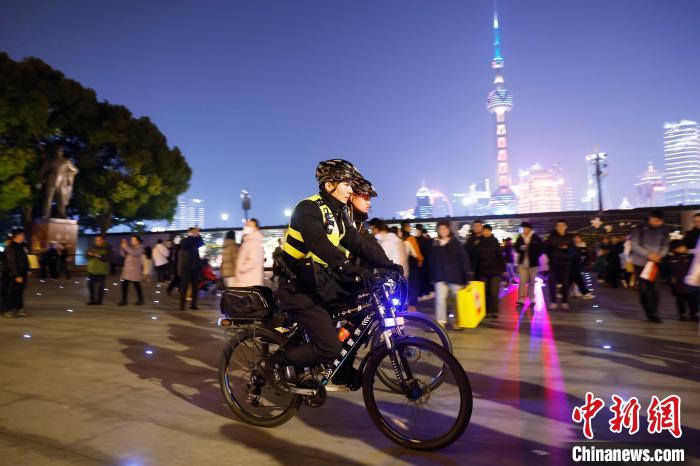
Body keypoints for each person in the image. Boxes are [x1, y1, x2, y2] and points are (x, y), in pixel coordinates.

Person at [273, 159, 401, 386]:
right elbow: (320, 245)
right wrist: (353, 270)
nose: (351, 190)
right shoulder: (307, 209)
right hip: (297, 286)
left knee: (363, 309)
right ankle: (275, 362)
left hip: (321, 282)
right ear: (329, 184)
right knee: (329, 347)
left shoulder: (339, 214)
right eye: (347, 184)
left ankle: (341, 367)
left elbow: (358, 243)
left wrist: (389, 265)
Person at [630, 210, 669, 323]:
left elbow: (666, 246)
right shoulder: (639, 228)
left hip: (654, 264)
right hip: (640, 264)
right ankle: (648, 312)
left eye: (661, 221)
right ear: (650, 218)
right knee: (643, 290)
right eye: (657, 220)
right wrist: (649, 255)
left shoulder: (664, 230)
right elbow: (635, 245)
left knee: (655, 290)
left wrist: (659, 255)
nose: (659, 223)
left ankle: (654, 313)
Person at [429, 220, 470, 327]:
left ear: (449, 230)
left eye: (444, 228)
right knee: (440, 300)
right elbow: (432, 260)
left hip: (455, 276)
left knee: (456, 300)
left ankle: (457, 321)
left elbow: (464, 260)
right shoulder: (435, 243)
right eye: (440, 228)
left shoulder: (455, 243)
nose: (442, 230)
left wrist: (467, 276)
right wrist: (432, 275)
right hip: (440, 276)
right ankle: (440, 322)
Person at [474, 224, 505, 318]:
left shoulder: (495, 242)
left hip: (495, 271)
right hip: (483, 271)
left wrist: (503, 269)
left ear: (490, 231)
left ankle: (494, 311)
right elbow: (476, 258)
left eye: (488, 230)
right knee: (485, 292)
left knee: (494, 292)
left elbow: (500, 257)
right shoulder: (479, 242)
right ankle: (486, 311)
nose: (486, 232)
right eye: (484, 231)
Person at [545, 219, 575, 310]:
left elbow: (573, 249)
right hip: (553, 263)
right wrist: (551, 256)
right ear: (556, 227)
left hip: (566, 263)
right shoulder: (552, 236)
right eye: (558, 225)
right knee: (551, 283)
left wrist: (567, 251)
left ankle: (564, 301)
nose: (560, 227)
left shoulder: (569, 237)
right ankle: (553, 301)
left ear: (566, 227)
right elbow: (546, 248)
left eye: (562, 225)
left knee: (565, 283)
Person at [666, 240, 699, 322]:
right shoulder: (670, 258)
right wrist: (671, 280)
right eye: (682, 247)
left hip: (688, 281)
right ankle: (682, 314)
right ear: (676, 249)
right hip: (677, 282)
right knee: (680, 299)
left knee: (692, 298)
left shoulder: (688, 256)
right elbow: (667, 271)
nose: (684, 248)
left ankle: (693, 314)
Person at [514, 221, 544, 307]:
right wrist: (521, 248)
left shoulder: (536, 238)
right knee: (522, 281)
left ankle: (531, 298)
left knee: (532, 281)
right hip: (522, 264)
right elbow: (516, 248)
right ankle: (521, 299)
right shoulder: (520, 237)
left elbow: (541, 249)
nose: (524, 230)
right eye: (523, 228)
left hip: (533, 264)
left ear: (530, 229)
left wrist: (535, 256)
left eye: (526, 228)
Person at [4, 228, 29, 318]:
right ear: (17, 236)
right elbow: (12, 262)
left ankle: (19, 308)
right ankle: (8, 310)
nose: (23, 236)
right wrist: (17, 275)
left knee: (20, 291)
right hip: (15, 274)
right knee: (12, 292)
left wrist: (27, 270)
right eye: (22, 235)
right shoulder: (11, 247)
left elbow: (24, 260)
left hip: (23, 273)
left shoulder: (21, 246)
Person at [178, 228, 204, 310]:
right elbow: (188, 244)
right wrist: (193, 236)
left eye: (197, 232)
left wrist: (198, 236)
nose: (196, 233)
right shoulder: (184, 241)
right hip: (186, 267)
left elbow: (201, 243)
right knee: (184, 287)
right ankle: (182, 306)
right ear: (189, 232)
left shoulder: (196, 240)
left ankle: (193, 305)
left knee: (195, 287)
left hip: (195, 267)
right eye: (194, 232)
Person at [400, 221, 424, 311]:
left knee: (406, 284)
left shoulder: (401, 238)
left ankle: (405, 304)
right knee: (414, 284)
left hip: (403, 263)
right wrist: (420, 259)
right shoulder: (410, 238)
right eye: (409, 226)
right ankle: (412, 305)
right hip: (412, 263)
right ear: (406, 227)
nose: (410, 228)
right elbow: (416, 252)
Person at [234, 219, 265, 287]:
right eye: (246, 225)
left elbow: (253, 261)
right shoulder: (249, 241)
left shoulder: (254, 242)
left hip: (249, 282)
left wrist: (240, 268)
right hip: (246, 281)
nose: (246, 227)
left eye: (249, 225)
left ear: (256, 228)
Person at [119, 235, 144, 306]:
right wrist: (122, 247)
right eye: (131, 240)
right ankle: (124, 300)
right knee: (125, 285)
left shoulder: (140, 247)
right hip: (128, 271)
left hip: (134, 270)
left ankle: (140, 299)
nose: (132, 241)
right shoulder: (130, 248)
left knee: (136, 285)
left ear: (138, 241)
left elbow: (135, 253)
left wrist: (126, 247)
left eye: (133, 240)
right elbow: (122, 254)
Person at [86, 235, 112, 305]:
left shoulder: (108, 247)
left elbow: (107, 258)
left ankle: (99, 301)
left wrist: (97, 255)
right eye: (96, 240)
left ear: (103, 240)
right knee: (91, 285)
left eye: (99, 240)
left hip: (102, 271)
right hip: (92, 270)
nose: (97, 241)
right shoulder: (92, 246)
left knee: (100, 286)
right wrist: (89, 254)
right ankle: (92, 300)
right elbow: (87, 256)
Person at [570, 234, 595, 299]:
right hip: (573, 265)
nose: (577, 239)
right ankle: (579, 292)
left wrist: (585, 263)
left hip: (580, 265)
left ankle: (575, 292)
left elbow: (586, 255)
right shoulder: (572, 246)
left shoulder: (583, 246)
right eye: (575, 238)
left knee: (575, 279)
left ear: (581, 239)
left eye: (578, 238)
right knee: (576, 279)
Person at [415, 224, 433, 298]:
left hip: (421, 262)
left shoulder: (418, 240)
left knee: (421, 277)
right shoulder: (425, 240)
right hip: (425, 262)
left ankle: (422, 292)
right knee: (424, 277)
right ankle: (426, 291)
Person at [0, 235, 11, 313]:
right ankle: (4, 307)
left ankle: (5, 307)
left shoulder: (6, 250)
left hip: (6, 272)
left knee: (5, 290)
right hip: (5, 272)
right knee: (4, 291)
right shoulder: (4, 251)